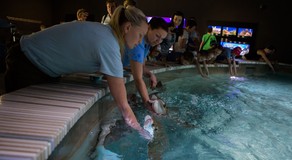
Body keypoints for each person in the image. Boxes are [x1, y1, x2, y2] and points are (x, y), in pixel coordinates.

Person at [4, 5, 152, 140]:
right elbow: (124, 107)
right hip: (26, 63)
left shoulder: (105, 32)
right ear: (127, 27)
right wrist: (141, 132)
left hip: (33, 61)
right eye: (140, 35)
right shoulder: (109, 43)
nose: (140, 42)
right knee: (18, 131)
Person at [123, 17, 168, 114]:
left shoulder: (147, 44)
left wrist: (150, 74)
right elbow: (138, 79)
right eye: (157, 35)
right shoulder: (138, 43)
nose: (158, 41)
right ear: (149, 27)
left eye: (162, 39)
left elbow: (142, 66)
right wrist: (148, 103)